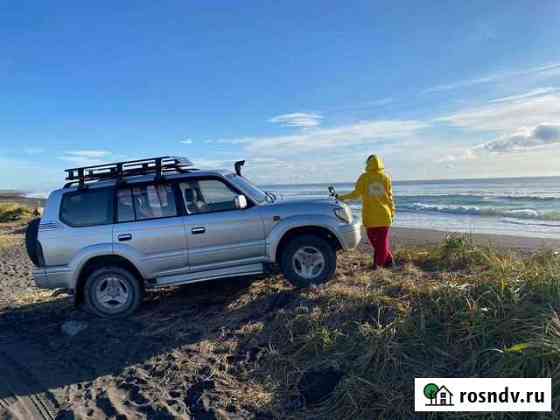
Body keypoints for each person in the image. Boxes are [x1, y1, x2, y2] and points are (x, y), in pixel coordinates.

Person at [337, 155, 395, 269]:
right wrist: (392, 213)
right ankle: (388, 261)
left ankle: (378, 266)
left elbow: (356, 194)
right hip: (383, 216)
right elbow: (390, 198)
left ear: (368, 163)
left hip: (372, 217)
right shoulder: (385, 177)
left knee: (380, 243)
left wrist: (341, 198)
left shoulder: (365, 177)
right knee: (379, 243)